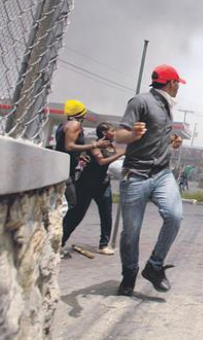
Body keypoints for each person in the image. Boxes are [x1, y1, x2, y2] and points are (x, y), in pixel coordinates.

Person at [114, 64, 186, 296]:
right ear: (172, 83)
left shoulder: (166, 106)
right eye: (178, 84)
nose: (179, 89)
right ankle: (129, 274)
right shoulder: (140, 101)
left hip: (162, 173)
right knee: (131, 232)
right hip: (135, 174)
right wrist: (132, 135)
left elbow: (156, 139)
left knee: (174, 216)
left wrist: (170, 144)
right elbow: (119, 134)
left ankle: (154, 267)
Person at [62, 122, 124, 255]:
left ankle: (103, 245)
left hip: (103, 184)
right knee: (77, 214)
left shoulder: (111, 145)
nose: (115, 133)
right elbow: (101, 161)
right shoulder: (94, 144)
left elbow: (114, 156)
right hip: (87, 184)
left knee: (106, 214)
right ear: (104, 132)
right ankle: (60, 241)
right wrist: (120, 154)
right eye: (113, 131)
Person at [55, 100, 110, 212]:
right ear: (81, 113)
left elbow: (64, 147)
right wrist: (95, 144)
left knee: (63, 200)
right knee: (70, 203)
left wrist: (79, 156)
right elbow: (69, 146)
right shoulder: (75, 125)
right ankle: (54, 227)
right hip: (65, 170)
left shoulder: (64, 124)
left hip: (63, 167)